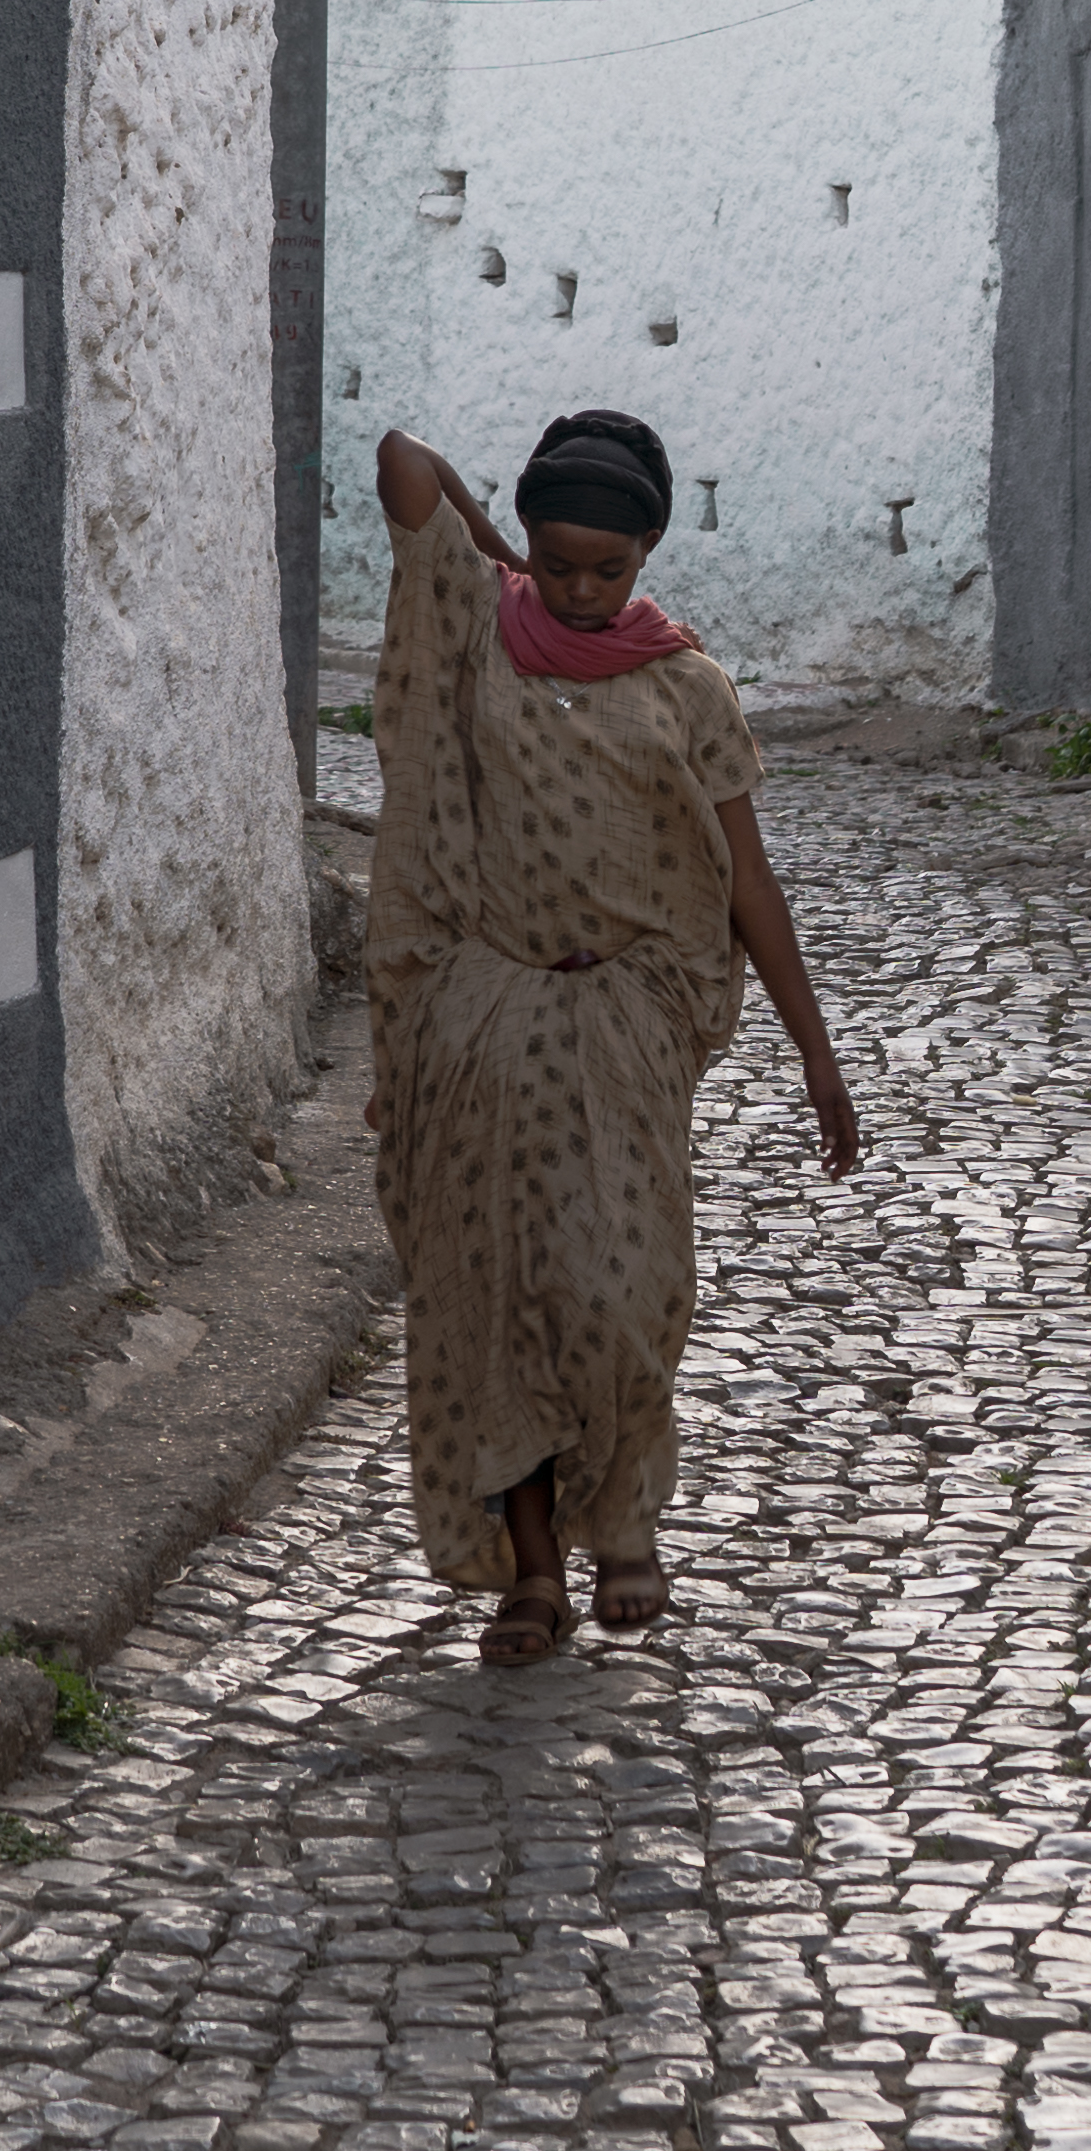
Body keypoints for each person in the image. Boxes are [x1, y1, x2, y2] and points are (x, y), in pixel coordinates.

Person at [361, 406, 863, 1668]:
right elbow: (401, 461)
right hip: (482, 1015)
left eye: (610, 567)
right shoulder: (480, 631)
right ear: (532, 539)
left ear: (649, 555)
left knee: (622, 1285)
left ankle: (627, 1510)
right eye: (562, 559)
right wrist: (489, 547)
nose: (582, 590)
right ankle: (534, 1569)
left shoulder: (688, 687)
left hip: (628, 1020)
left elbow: (748, 885)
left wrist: (816, 1051)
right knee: (490, 1296)